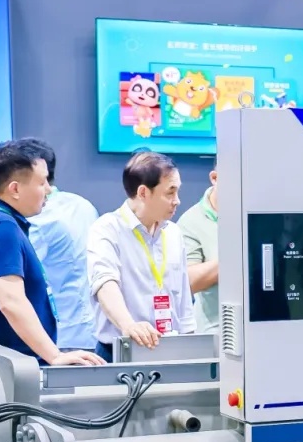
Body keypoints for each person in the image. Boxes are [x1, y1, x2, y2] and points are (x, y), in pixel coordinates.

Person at [0, 140, 104, 366]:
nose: (49, 190)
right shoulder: (0, 228)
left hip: (1, 366)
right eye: (42, 182)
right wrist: (54, 355)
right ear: (15, 189)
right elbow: (11, 301)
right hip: (10, 369)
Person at [87, 151, 195, 363]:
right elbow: (105, 284)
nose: (177, 201)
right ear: (143, 192)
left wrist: (190, 346)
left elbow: (183, 297)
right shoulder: (107, 229)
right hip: (120, 352)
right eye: (170, 193)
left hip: (170, 352)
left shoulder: (173, 233)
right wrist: (129, 325)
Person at [21, 138, 101, 352]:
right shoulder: (83, 204)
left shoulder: (39, 218)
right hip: (94, 329)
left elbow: (14, 277)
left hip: (61, 335)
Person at [176, 165, 219, 334]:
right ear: (214, 178)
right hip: (216, 331)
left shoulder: (262, 213)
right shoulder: (190, 222)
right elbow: (188, 282)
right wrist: (237, 256)